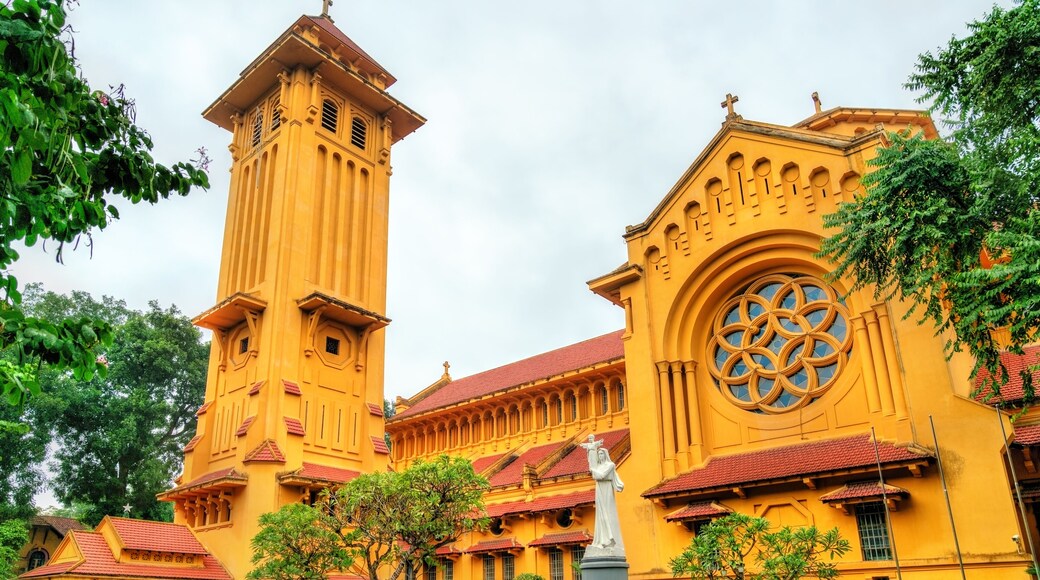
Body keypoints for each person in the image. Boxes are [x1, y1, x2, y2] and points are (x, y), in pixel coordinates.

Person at [581, 436, 625, 553]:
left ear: (605, 455)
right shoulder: (598, 467)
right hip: (599, 490)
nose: (600, 456)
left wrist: (594, 472)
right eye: (598, 454)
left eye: (601, 454)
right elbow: (596, 475)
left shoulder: (610, 466)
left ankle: (611, 539)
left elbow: (601, 476)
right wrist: (591, 452)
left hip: (607, 490)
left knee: (608, 514)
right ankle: (602, 540)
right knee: (600, 515)